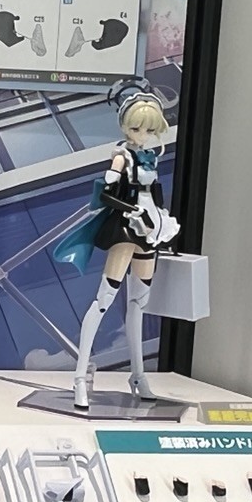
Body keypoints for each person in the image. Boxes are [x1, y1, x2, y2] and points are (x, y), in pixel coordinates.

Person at [55, 81, 178, 411]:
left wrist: (161, 224)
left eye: (148, 129)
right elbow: (107, 194)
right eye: (136, 128)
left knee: (139, 302)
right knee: (104, 300)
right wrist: (134, 211)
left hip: (150, 228)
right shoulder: (122, 157)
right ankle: (80, 377)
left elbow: (156, 194)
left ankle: (138, 375)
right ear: (125, 125)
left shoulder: (150, 157)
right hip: (126, 227)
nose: (142, 134)